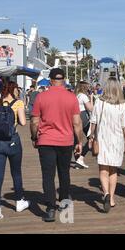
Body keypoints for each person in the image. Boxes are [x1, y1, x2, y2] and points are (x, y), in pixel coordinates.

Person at [30, 68, 83, 222]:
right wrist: (79, 141)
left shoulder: (41, 97)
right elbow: (77, 123)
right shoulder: (71, 97)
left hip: (46, 141)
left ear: (51, 80)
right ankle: (64, 203)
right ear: (64, 79)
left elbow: (34, 121)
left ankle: (50, 208)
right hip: (66, 141)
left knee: (48, 175)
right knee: (64, 173)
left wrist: (34, 137)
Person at [88, 78, 125, 212]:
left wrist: (91, 136)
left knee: (103, 169)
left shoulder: (99, 102)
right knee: (113, 171)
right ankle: (111, 198)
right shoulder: (122, 105)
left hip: (102, 139)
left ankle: (105, 193)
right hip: (117, 141)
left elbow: (93, 121)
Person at [0, 81, 30, 221]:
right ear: (13, 89)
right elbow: (23, 122)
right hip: (12, 143)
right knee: (16, 173)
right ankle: (19, 202)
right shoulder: (18, 103)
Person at [74, 81, 94, 169]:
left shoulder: (75, 95)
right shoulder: (83, 96)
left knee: (77, 140)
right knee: (91, 138)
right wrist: (91, 98)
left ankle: (77, 162)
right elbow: (91, 108)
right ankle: (81, 158)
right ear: (84, 87)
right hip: (83, 117)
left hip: (75, 117)